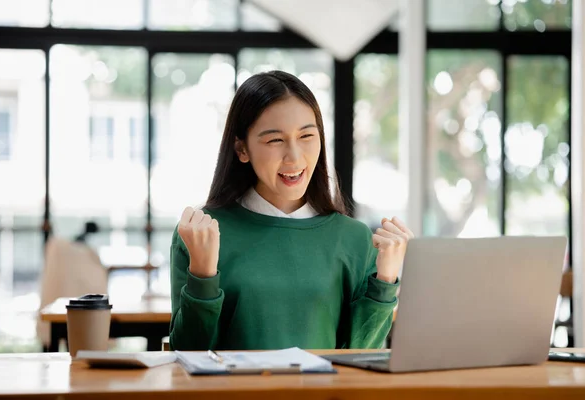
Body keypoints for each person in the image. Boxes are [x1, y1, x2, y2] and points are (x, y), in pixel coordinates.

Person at [169, 70, 414, 351]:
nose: (295, 156)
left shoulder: (356, 239)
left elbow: (360, 356)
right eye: (275, 140)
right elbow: (187, 355)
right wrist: (202, 274)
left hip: (325, 396)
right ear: (241, 149)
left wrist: (385, 280)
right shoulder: (201, 233)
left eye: (307, 136)